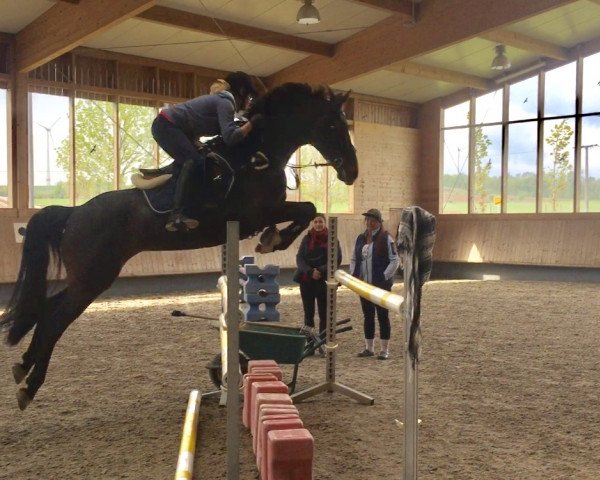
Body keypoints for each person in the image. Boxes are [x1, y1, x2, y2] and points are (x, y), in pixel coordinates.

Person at [151, 71, 268, 232]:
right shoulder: (226, 103)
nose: (249, 103)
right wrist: (251, 124)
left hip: (175, 128)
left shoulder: (223, 102)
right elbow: (230, 138)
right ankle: (177, 215)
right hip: (166, 125)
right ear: (241, 92)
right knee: (193, 161)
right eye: (249, 98)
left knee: (202, 159)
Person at [350, 208, 400, 360]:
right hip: (364, 284)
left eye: (373, 220)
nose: (370, 223)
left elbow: (395, 260)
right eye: (368, 220)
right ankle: (369, 348)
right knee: (368, 315)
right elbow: (354, 258)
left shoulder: (386, 238)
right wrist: (354, 275)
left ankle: (384, 350)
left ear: (379, 222)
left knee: (382, 316)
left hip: (381, 285)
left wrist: (384, 277)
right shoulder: (361, 238)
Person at [294, 214, 342, 340]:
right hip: (307, 281)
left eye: (320, 221)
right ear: (312, 223)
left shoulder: (332, 239)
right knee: (308, 314)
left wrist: (320, 270)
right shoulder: (306, 238)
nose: (318, 224)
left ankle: (323, 342)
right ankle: (309, 343)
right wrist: (310, 271)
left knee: (324, 314)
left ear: (325, 223)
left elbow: (336, 259)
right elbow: (300, 258)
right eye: (315, 222)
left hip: (323, 280)